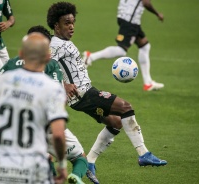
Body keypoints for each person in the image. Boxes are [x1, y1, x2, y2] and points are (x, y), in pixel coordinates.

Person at [47, 2, 167, 183]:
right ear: (56, 25)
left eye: (73, 22)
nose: (71, 26)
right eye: (66, 23)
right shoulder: (55, 45)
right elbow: (44, 68)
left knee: (116, 122)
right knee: (126, 107)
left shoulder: (63, 42)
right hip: (84, 94)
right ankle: (143, 154)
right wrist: (63, 85)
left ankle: (90, 161)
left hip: (82, 95)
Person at [0, 25, 93, 184]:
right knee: (74, 156)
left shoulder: (4, 79)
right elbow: (57, 133)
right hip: (34, 172)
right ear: (46, 55)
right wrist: (62, 167)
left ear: (21, 53)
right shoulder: (51, 86)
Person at [83, 0, 164, 91]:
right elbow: (146, 2)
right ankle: (91, 57)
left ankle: (148, 83)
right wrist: (157, 14)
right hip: (130, 21)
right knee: (121, 50)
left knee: (144, 46)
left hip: (126, 18)